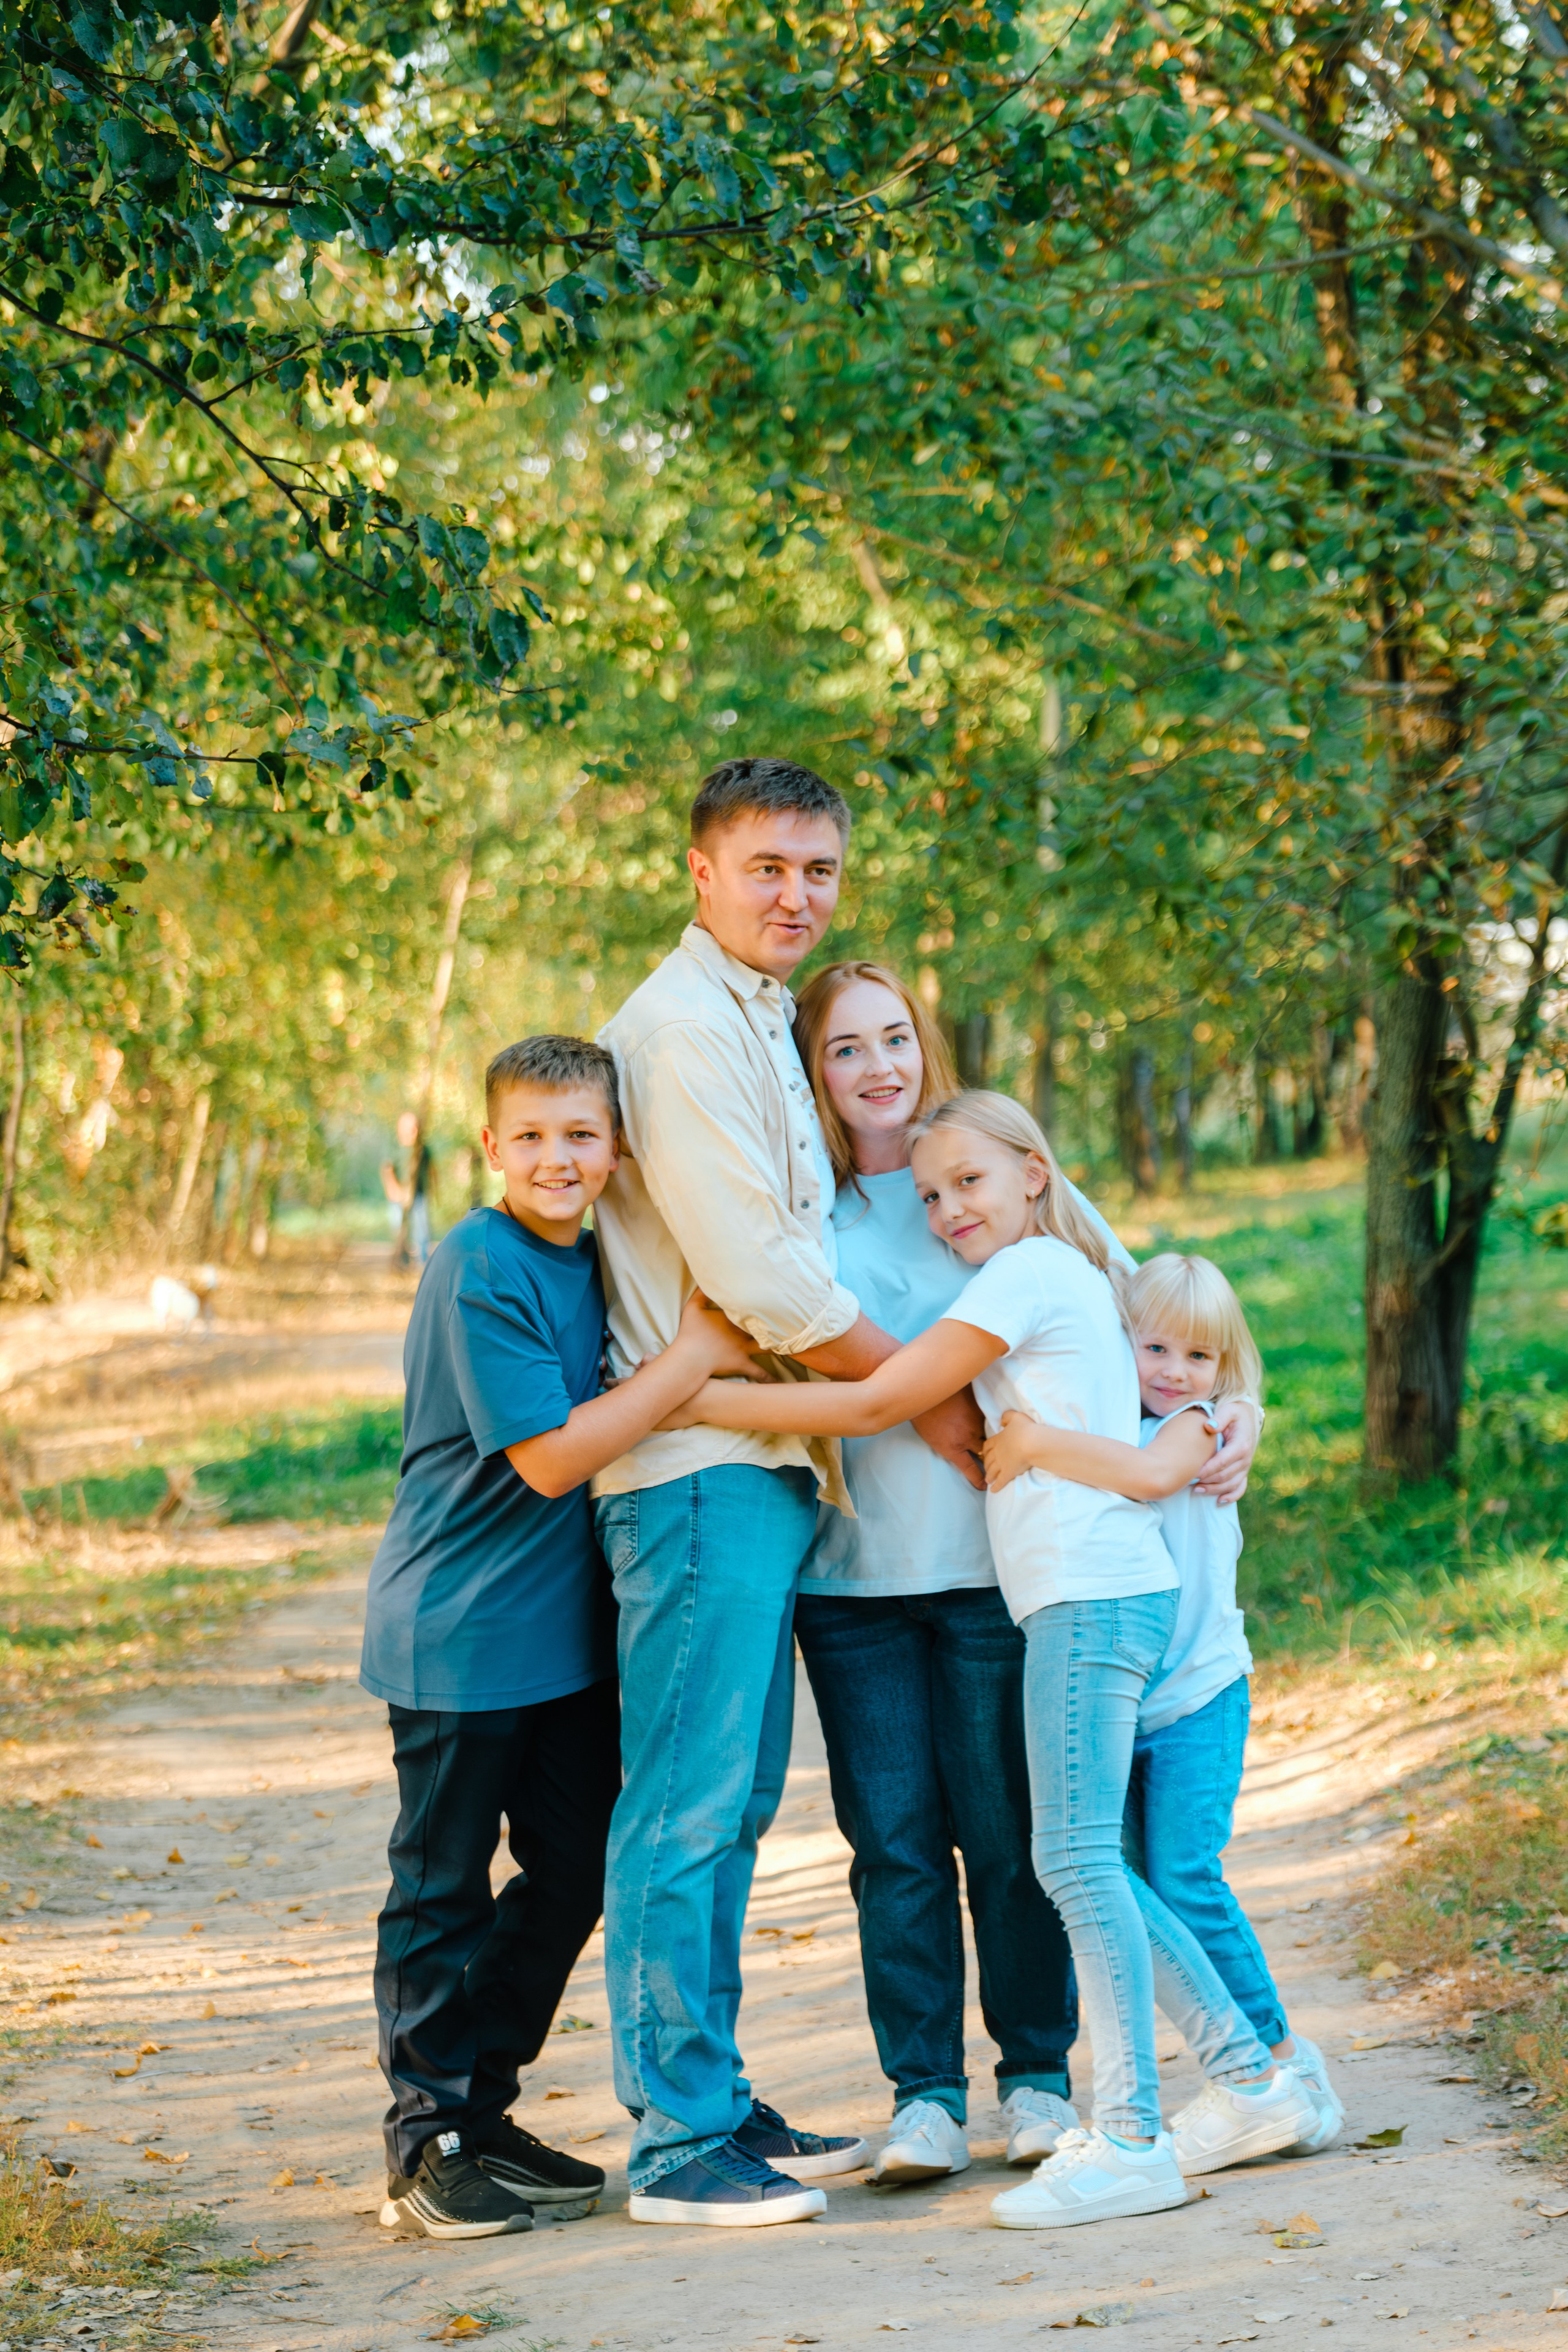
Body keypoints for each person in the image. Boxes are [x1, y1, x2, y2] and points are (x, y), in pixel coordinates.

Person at [665, 1089, 1317, 2231]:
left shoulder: (1026, 1274)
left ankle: (1133, 2137)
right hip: (1090, 1597)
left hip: (1089, 1597)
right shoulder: (1070, 1277)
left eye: (969, 1180)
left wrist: (674, 1389)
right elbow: (1185, 1362)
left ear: (1032, 1170)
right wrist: (1233, 1413)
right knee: (1079, 1861)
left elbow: (877, 1398)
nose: (948, 1207)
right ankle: (1251, 2079)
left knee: (1071, 1862)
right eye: (928, 1193)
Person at [590, 757, 985, 2228]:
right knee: (686, 1805)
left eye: (817, 870)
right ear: (701, 872)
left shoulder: (756, 1015)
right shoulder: (684, 1030)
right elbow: (764, 1281)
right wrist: (921, 1398)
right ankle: (677, 2140)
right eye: (765, 867)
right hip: (692, 1471)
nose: (793, 895)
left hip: (759, 1467)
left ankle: (714, 2095)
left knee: (733, 1801)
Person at [360, 1034, 763, 2241]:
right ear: (490, 1147)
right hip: (458, 1635)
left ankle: (480, 2110)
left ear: (616, 1147)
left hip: (564, 1641)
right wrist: (694, 1356)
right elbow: (547, 1460)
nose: (555, 1157)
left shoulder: (600, 1257)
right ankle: (423, 2136)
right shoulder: (478, 1263)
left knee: (579, 1868)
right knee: (440, 1887)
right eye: (529, 1136)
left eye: (580, 1134)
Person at [982, 1250, 1344, 2165]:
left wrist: (1028, 1441)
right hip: (1130, 1706)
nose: (1177, 1372)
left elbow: (1145, 1475)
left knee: (1185, 1877)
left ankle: (1282, 2060)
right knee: (1132, 1881)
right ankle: (1241, 2076)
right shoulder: (1123, 1420)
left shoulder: (1196, 1429)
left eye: (1201, 1358)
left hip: (1197, 1696)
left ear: (1225, 1371)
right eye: (1156, 1349)